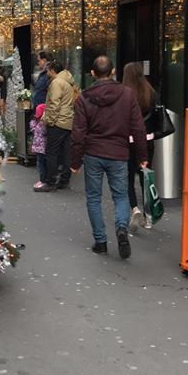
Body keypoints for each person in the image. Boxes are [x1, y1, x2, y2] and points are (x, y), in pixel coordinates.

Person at [70, 55, 147, 259]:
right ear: (113, 72)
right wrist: (142, 155)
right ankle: (121, 227)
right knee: (121, 195)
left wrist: (75, 161)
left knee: (93, 198)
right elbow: (138, 127)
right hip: (119, 153)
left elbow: (78, 132)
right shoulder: (127, 95)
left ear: (92, 74)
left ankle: (101, 241)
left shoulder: (84, 98)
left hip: (93, 153)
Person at [122, 62, 158, 231]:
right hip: (148, 139)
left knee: (128, 177)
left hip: (128, 141)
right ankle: (148, 217)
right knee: (146, 178)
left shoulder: (124, 93)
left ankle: (134, 208)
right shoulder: (150, 91)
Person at [36, 61, 76, 192]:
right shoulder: (68, 81)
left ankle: (50, 181)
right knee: (66, 153)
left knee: (51, 152)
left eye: (48, 71)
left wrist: (50, 121)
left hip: (58, 121)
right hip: (68, 120)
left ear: (52, 70)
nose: (47, 73)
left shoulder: (57, 82)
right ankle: (64, 180)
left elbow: (54, 103)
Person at [30, 102, 47, 189]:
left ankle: (43, 180)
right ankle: (43, 180)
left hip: (39, 147)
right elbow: (44, 132)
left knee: (41, 164)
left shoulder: (35, 122)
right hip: (43, 148)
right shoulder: (43, 124)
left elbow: (33, 129)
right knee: (43, 164)